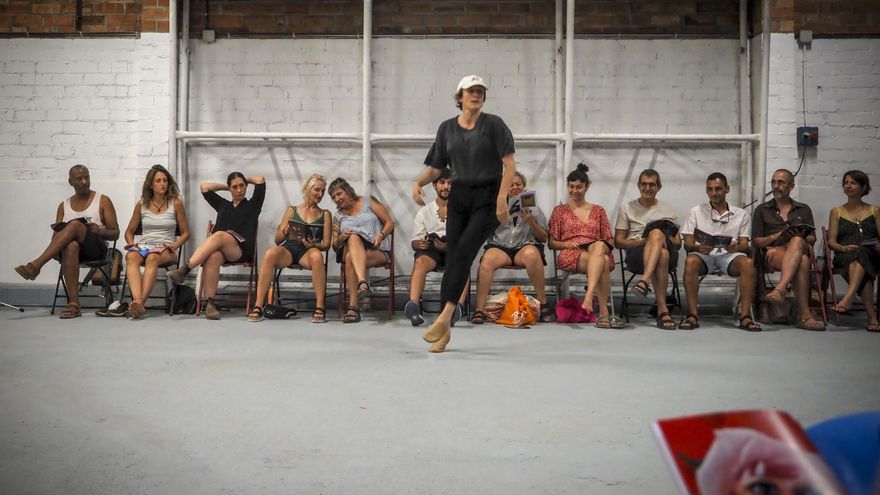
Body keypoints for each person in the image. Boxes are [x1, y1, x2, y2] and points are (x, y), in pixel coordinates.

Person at [412, 74, 516, 352]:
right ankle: (445, 332)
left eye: (481, 91)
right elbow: (436, 167)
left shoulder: (494, 125)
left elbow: (510, 166)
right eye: (471, 91)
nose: (477, 95)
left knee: (463, 253)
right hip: (459, 196)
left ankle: (445, 317)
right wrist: (418, 182)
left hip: (487, 197)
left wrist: (502, 198)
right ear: (460, 97)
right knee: (455, 256)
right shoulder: (447, 129)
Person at [15, 164, 119, 319]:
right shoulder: (63, 206)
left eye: (87, 177)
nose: (84, 181)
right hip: (73, 252)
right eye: (79, 179)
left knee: (75, 225)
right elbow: (55, 239)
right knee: (70, 245)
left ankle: (36, 265)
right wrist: (62, 230)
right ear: (71, 182)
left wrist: (100, 230)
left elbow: (115, 233)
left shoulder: (102, 200)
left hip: (96, 248)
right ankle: (74, 304)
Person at [167, 172, 266, 320]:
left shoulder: (253, 205)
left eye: (242, 186)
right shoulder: (223, 205)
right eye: (235, 187)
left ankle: (186, 268)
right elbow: (204, 187)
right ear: (230, 189)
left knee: (219, 235)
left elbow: (260, 179)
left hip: (240, 250)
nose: (239, 190)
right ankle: (211, 303)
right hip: (221, 251)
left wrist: (246, 179)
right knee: (212, 256)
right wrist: (226, 187)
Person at [680, 172, 760, 331]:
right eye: (710, 189)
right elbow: (687, 244)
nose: (714, 193)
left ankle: (745, 316)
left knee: (748, 263)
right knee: (690, 261)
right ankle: (693, 315)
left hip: (729, 255)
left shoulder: (741, 214)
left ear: (727, 189)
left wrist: (735, 247)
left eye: (718, 189)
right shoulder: (696, 211)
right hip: (704, 255)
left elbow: (745, 246)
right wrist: (698, 247)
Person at [248, 174, 331, 323]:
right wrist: (285, 231)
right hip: (290, 248)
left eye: (323, 191)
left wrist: (314, 245)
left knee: (317, 256)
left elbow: (326, 244)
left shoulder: (325, 214)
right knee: (270, 254)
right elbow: (278, 239)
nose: (320, 194)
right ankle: (258, 305)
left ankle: (320, 306)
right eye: (317, 190)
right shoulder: (292, 210)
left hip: (309, 250)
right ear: (308, 189)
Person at [548, 163, 621, 328]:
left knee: (600, 249)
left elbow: (609, 239)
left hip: (596, 249)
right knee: (601, 259)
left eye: (579, 187)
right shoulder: (560, 211)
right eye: (571, 187)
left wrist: (598, 245)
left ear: (587, 187)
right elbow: (551, 243)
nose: (574, 191)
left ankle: (588, 297)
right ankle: (603, 312)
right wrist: (566, 244)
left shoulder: (599, 211)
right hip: (571, 253)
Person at [472, 171, 550, 324]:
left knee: (532, 254)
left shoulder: (535, 208)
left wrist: (531, 223)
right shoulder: (496, 207)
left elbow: (544, 237)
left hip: (524, 246)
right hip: (501, 246)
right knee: (487, 260)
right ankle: (479, 309)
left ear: (524, 188)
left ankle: (543, 302)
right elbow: (482, 231)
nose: (514, 187)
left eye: (518, 184)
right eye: (510, 185)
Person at [751, 169, 824, 331]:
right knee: (803, 261)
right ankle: (805, 316)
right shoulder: (762, 209)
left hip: (798, 248)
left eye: (781, 182)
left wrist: (803, 236)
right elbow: (756, 241)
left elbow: (812, 238)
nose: (776, 186)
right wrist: (775, 236)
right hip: (774, 253)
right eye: (773, 182)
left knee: (798, 240)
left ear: (791, 186)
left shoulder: (803, 209)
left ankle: (781, 289)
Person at [119, 165, 191, 319]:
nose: (162, 183)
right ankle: (138, 302)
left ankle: (139, 304)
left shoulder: (176, 203)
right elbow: (129, 231)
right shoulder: (142, 204)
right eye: (158, 180)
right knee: (131, 256)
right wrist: (131, 243)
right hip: (145, 245)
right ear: (151, 185)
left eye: (165, 180)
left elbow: (186, 233)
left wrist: (174, 245)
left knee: (152, 257)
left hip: (165, 247)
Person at [614, 168, 681, 330]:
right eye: (644, 184)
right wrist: (645, 241)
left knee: (657, 233)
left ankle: (644, 281)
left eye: (652, 185)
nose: (647, 188)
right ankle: (663, 311)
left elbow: (678, 244)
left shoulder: (668, 209)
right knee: (662, 255)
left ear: (659, 187)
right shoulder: (627, 208)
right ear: (638, 186)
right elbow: (618, 242)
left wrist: (663, 236)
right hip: (637, 254)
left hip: (666, 248)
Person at [403, 167, 468, 327]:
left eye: (450, 183)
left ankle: (455, 309)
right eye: (442, 182)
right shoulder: (425, 211)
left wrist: (450, 245)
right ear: (434, 185)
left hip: (454, 249)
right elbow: (414, 241)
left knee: (463, 261)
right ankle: (414, 306)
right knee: (420, 262)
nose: (446, 187)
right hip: (432, 249)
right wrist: (419, 243)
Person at [330, 177, 395, 324]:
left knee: (350, 259)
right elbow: (335, 245)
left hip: (377, 249)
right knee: (352, 241)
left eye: (339, 194)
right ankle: (362, 283)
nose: (336, 199)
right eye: (333, 197)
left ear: (348, 190)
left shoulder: (368, 201)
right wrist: (340, 237)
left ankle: (353, 308)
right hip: (353, 251)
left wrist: (381, 235)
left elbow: (390, 223)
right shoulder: (338, 216)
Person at [826, 170, 880, 332]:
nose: (848, 186)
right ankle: (872, 318)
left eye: (853, 183)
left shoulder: (875, 211)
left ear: (864, 188)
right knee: (860, 259)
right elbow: (831, 242)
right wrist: (843, 247)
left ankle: (848, 298)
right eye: (846, 182)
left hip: (872, 254)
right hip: (845, 255)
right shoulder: (837, 212)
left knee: (863, 254)